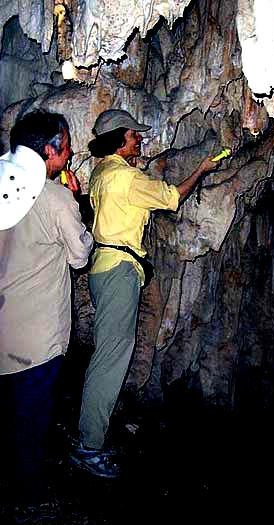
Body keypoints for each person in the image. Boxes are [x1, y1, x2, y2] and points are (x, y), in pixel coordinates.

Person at [70, 108, 219, 478]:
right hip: (118, 269)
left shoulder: (102, 172)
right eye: (134, 135)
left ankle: (90, 434)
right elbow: (171, 198)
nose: (140, 139)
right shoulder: (123, 175)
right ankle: (89, 446)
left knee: (108, 354)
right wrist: (201, 170)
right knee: (110, 359)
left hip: (106, 267)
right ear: (120, 139)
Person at [0, 110, 94, 518]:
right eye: (67, 146)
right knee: (31, 420)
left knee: (7, 417)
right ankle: (28, 500)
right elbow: (80, 256)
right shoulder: (56, 199)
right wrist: (79, 203)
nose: (70, 154)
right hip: (36, 337)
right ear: (51, 151)